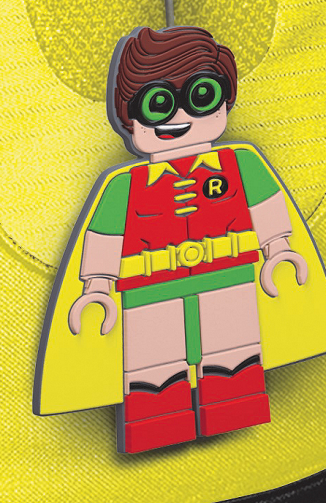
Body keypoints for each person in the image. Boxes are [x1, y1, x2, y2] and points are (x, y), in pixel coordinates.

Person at [66, 25, 312, 454]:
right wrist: (98, 287)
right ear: (130, 116)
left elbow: (265, 204)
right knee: (154, 374)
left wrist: (279, 249)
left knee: (234, 359)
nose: (179, 117)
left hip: (228, 281)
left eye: (201, 96)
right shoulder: (124, 187)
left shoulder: (240, 165)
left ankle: (233, 417)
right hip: (149, 294)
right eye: (157, 103)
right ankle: (158, 429)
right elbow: (105, 233)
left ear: (223, 101)